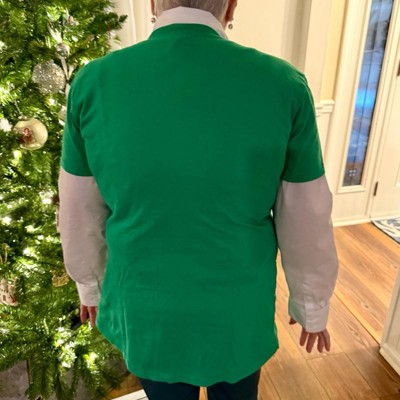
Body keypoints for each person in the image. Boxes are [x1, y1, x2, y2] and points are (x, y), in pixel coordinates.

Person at [58, 0, 339, 399]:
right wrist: (311, 304)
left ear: (153, 3)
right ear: (231, 6)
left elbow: (79, 209)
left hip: (147, 307)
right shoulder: (283, 85)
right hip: (236, 309)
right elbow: (305, 214)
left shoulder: (94, 83)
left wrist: (89, 284)